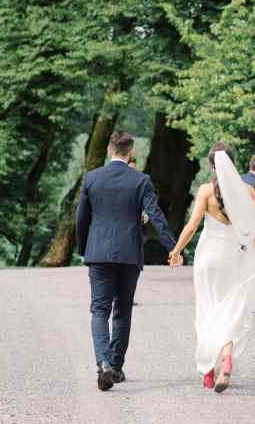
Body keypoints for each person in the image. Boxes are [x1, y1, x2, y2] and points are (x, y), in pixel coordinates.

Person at [168, 142, 255, 393]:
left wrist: (177, 250)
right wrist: (248, 238)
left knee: (208, 310)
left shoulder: (205, 191)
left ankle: (207, 372)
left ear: (211, 164)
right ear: (233, 163)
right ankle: (226, 360)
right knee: (231, 311)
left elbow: (191, 227)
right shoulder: (246, 190)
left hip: (208, 259)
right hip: (233, 258)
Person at [76, 131, 176, 391]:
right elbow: (155, 215)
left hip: (98, 253)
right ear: (130, 151)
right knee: (123, 309)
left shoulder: (92, 178)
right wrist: (173, 248)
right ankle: (117, 366)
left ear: (110, 149)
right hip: (130, 253)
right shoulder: (140, 180)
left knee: (99, 310)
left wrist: (84, 247)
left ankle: (104, 364)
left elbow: (81, 218)